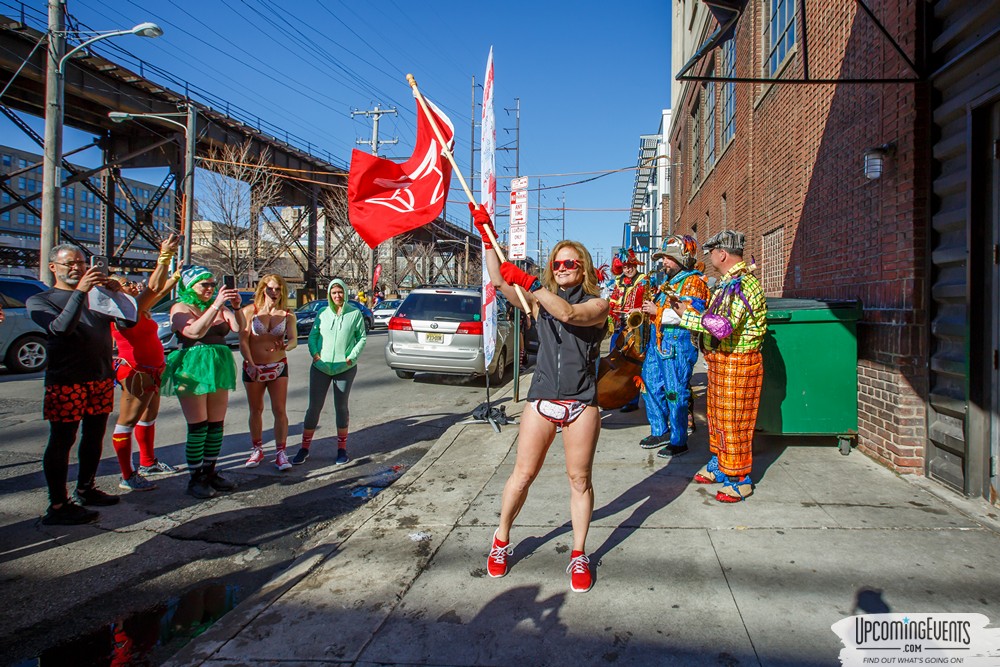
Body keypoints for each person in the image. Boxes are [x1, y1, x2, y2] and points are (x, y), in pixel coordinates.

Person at [472, 204, 609, 594]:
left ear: (582, 268)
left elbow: (567, 313)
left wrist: (532, 285)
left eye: (570, 262)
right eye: (558, 263)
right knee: (522, 476)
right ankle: (501, 539)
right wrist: (487, 237)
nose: (563, 266)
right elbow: (500, 282)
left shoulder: (598, 306)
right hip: (542, 400)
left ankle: (579, 553)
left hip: (582, 402)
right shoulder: (537, 300)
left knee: (579, 480)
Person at [27, 244, 124, 524]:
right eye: (69, 263)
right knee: (62, 439)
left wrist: (114, 294)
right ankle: (58, 505)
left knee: (94, 437)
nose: (77, 268)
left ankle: (86, 488)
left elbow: (127, 323)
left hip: (101, 376)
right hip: (67, 381)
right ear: (53, 267)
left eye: (81, 263)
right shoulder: (40, 300)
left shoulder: (97, 297)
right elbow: (59, 329)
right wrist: (81, 291)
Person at [672, 230, 767, 502]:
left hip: (738, 364)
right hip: (723, 363)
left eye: (712, 252)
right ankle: (722, 465)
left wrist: (687, 316)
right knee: (718, 418)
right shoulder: (729, 283)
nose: (711, 257)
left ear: (722, 253)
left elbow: (722, 327)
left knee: (735, 421)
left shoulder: (742, 284)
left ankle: (740, 478)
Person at [161, 266, 244, 499]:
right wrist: (216, 305)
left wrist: (235, 307)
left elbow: (239, 327)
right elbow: (193, 331)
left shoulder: (219, 307)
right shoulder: (180, 307)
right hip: (193, 367)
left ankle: (210, 472)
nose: (210, 288)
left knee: (216, 424)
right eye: (204, 284)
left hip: (218, 366)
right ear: (189, 286)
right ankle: (195, 477)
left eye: (211, 284)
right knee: (198, 426)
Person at [110, 234, 182, 492]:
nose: (133, 285)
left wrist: (174, 277)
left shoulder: (139, 308)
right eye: (127, 283)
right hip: (136, 371)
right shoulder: (124, 310)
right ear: (114, 291)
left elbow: (157, 292)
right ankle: (127, 475)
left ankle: (147, 461)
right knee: (127, 421)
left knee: (148, 417)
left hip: (152, 370)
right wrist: (164, 257)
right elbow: (153, 289)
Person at [638, 236, 709, 459]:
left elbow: (692, 314)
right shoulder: (668, 283)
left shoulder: (694, 282)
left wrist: (656, 312)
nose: (664, 262)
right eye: (664, 258)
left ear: (683, 259)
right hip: (657, 342)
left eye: (669, 258)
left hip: (677, 344)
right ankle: (660, 430)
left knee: (675, 391)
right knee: (649, 384)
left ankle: (679, 440)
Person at [291, 278, 366, 466]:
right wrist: (315, 355)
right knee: (314, 408)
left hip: (344, 367)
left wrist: (352, 357)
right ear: (329, 295)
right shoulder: (323, 313)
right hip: (321, 367)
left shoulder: (354, 314)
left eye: (340, 292)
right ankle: (304, 448)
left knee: (341, 407)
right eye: (334, 293)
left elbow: (361, 338)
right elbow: (313, 336)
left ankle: (341, 449)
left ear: (345, 293)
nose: (338, 296)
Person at [239, 274, 298, 470]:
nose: (274, 292)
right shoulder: (250, 312)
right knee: (255, 410)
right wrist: (250, 362)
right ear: (263, 289)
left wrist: (286, 346)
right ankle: (257, 449)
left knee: (279, 410)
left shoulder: (288, 315)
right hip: (253, 367)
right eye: (270, 288)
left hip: (278, 366)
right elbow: (243, 341)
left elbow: (294, 340)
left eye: (278, 289)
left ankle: (281, 452)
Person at [607, 249, 647, 413]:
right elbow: (613, 300)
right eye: (624, 267)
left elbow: (650, 301)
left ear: (635, 265)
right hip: (619, 326)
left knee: (633, 365)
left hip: (635, 327)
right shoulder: (618, 282)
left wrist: (637, 309)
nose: (628, 269)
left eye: (630, 266)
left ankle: (632, 400)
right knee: (615, 361)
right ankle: (617, 394)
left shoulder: (644, 280)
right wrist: (611, 313)